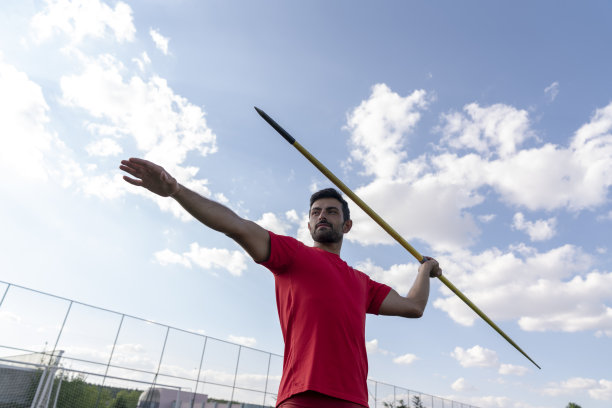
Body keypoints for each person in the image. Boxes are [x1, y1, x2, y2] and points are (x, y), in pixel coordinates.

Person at [120, 157, 442, 408]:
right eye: (316, 212)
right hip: (300, 394)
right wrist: (176, 190)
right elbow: (237, 226)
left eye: (331, 212)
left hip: (353, 399)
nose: (322, 216)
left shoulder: (362, 283)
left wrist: (424, 271)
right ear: (309, 222)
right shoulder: (294, 255)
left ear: (347, 225)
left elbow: (414, 306)